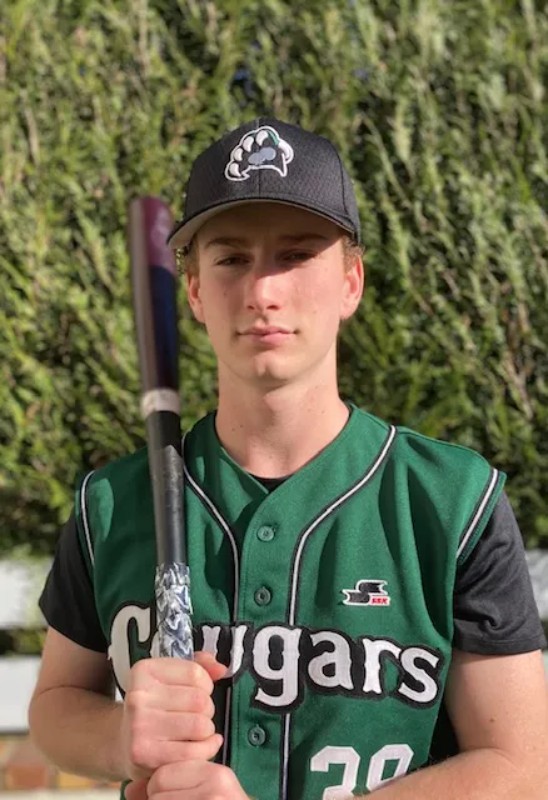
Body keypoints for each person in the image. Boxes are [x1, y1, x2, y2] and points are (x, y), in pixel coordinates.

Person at [29, 118, 548, 799]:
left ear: (351, 283)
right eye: (231, 259)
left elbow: (522, 765)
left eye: (296, 255)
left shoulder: (450, 502)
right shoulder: (115, 503)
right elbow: (57, 704)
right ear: (194, 291)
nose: (262, 292)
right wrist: (119, 737)